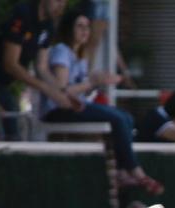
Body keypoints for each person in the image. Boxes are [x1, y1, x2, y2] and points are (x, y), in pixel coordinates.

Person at [42, 10, 160, 191]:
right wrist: (92, 82)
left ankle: (122, 172)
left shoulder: (79, 55)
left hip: (77, 106)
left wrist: (98, 82)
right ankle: (136, 172)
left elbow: (82, 88)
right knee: (118, 118)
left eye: (87, 27)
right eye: (80, 26)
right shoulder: (62, 52)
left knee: (126, 117)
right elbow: (62, 90)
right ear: (69, 29)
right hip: (60, 109)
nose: (85, 31)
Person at [0, 0, 77, 140]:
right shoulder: (23, 14)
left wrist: (61, 92)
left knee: (14, 133)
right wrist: (45, 88)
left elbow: (41, 67)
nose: (61, 6)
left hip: (5, 84)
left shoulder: (48, 26)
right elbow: (10, 64)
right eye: (58, 0)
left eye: (65, 2)